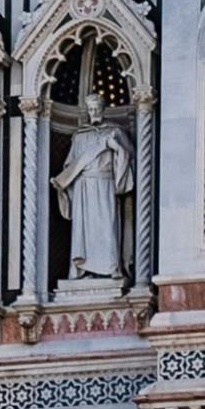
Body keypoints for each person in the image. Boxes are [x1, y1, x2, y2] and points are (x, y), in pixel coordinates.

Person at [53, 114, 131, 286]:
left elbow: (127, 156)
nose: (94, 111)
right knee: (84, 230)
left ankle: (111, 268)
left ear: (103, 109)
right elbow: (70, 165)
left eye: (97, 108)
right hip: (83, 188)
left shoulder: (114, 132)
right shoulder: (79, 136)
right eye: (91, 108)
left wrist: (116, 148)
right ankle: (81, 269)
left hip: (105, 184)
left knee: (107, 225)